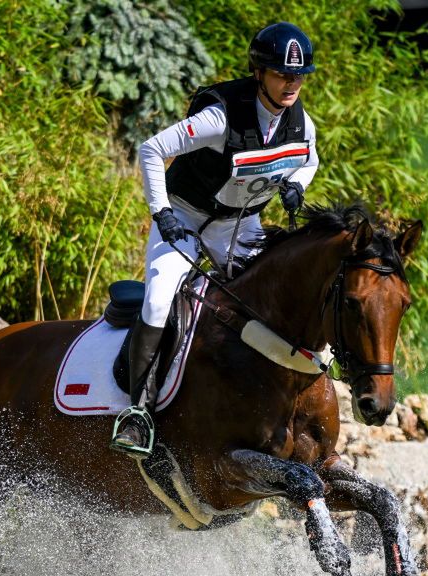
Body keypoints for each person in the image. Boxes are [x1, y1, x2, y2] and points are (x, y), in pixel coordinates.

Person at [109, 22, 321, 459]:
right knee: (159, 298)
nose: (292, 84)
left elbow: (310, 159)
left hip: (240, 225)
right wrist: (161, 211)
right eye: (283, 75)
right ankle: (138, 413)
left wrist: (297, 184)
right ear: (259, 72)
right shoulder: (219, 117)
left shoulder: (301, 121)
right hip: (185, 215)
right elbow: (151, 149)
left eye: (298, 76)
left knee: (271, 300)